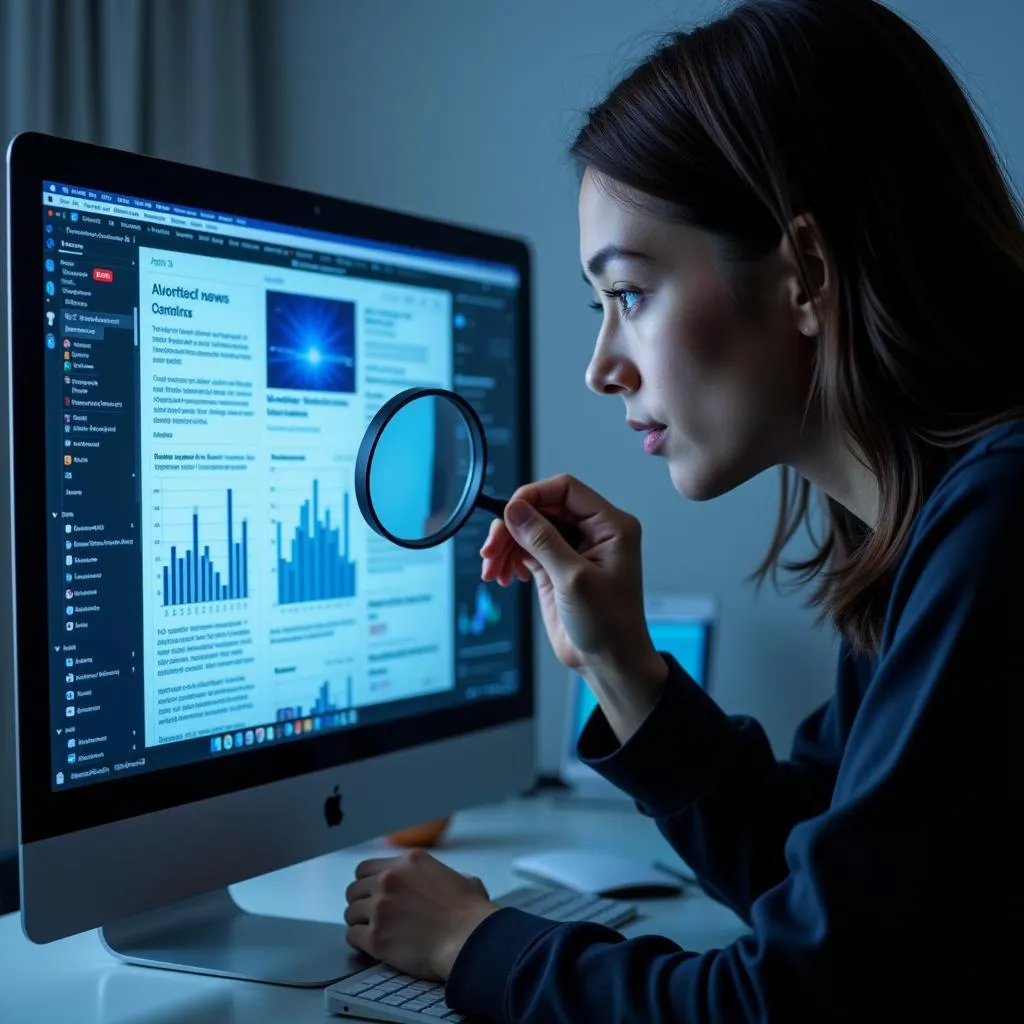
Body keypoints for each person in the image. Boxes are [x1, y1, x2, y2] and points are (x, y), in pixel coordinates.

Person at [342, 0, 1023, 1019]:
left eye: (631, 293)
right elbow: (829, 885)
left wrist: (472, 942)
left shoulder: (1000, 528)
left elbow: (791, 1001)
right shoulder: (929, 528)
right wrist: (624, 667)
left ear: (805, 272)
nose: (600, 366)